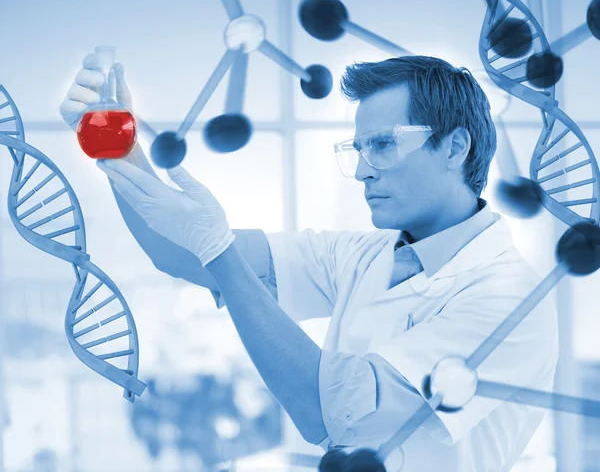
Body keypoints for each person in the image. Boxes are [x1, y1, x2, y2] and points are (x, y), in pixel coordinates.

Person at [60, 53, 558, 472]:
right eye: (359, 149)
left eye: (383, 145)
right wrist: (114, 147)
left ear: (455, 147)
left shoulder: (510, 298)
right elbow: (182, 253)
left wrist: (218, 250)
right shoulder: (363, 255)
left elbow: (337, 411)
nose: (362, 171)